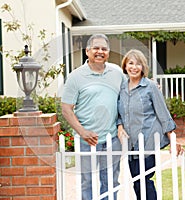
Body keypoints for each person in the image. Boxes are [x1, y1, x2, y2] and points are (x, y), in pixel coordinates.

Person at [61, 34, 126, 200]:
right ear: (87, 51)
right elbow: (66, 109)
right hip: (85, 141)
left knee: (110, 182)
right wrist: (82, 132)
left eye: (104, 49)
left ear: (108, 52)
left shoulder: (117, 73)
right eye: (96, 48)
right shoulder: (76, 76)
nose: (100, 52)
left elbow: (127, 99)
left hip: (112, 139)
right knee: (86, 182)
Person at [117, 49, 183, 200]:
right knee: (136, 182)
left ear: (143, 67)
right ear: (125, 66)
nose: (134, 67)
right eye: (131, 63)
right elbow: (118, 114)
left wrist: (172, 138)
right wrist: (120, 127)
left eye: (138, 64)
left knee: (144, 181)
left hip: (147, 141)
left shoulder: (150, 87)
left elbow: (162, 112)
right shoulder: (121, 88)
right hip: (130, 144)